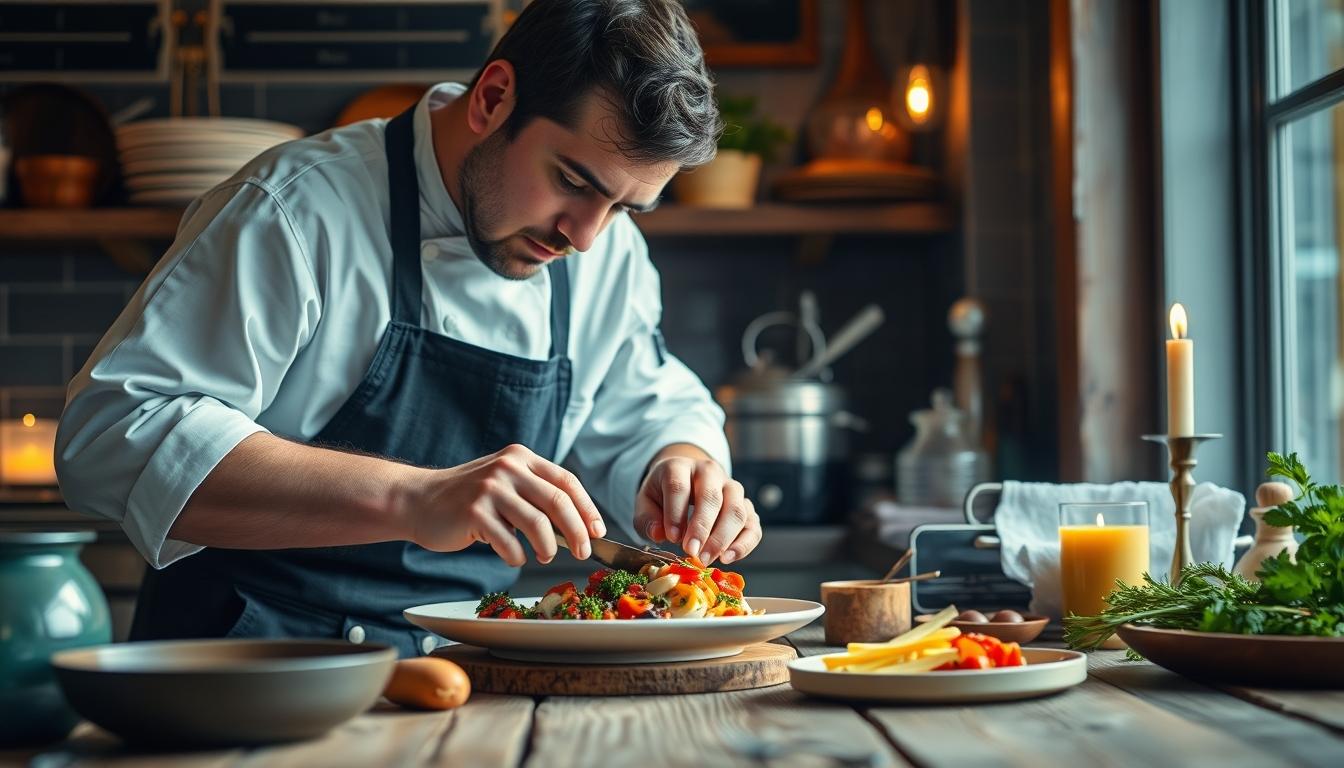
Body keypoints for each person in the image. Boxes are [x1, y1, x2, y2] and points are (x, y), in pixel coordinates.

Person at [55, 0, 761, 658]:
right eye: (573, 182)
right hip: (250, 666)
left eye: (624, 208)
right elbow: (112, 435)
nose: (584, 236)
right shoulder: (295, 208)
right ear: (493, 98)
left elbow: (643, 404)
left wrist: (676, 465)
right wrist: (413, 497)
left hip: (470, 673)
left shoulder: (604, 252)